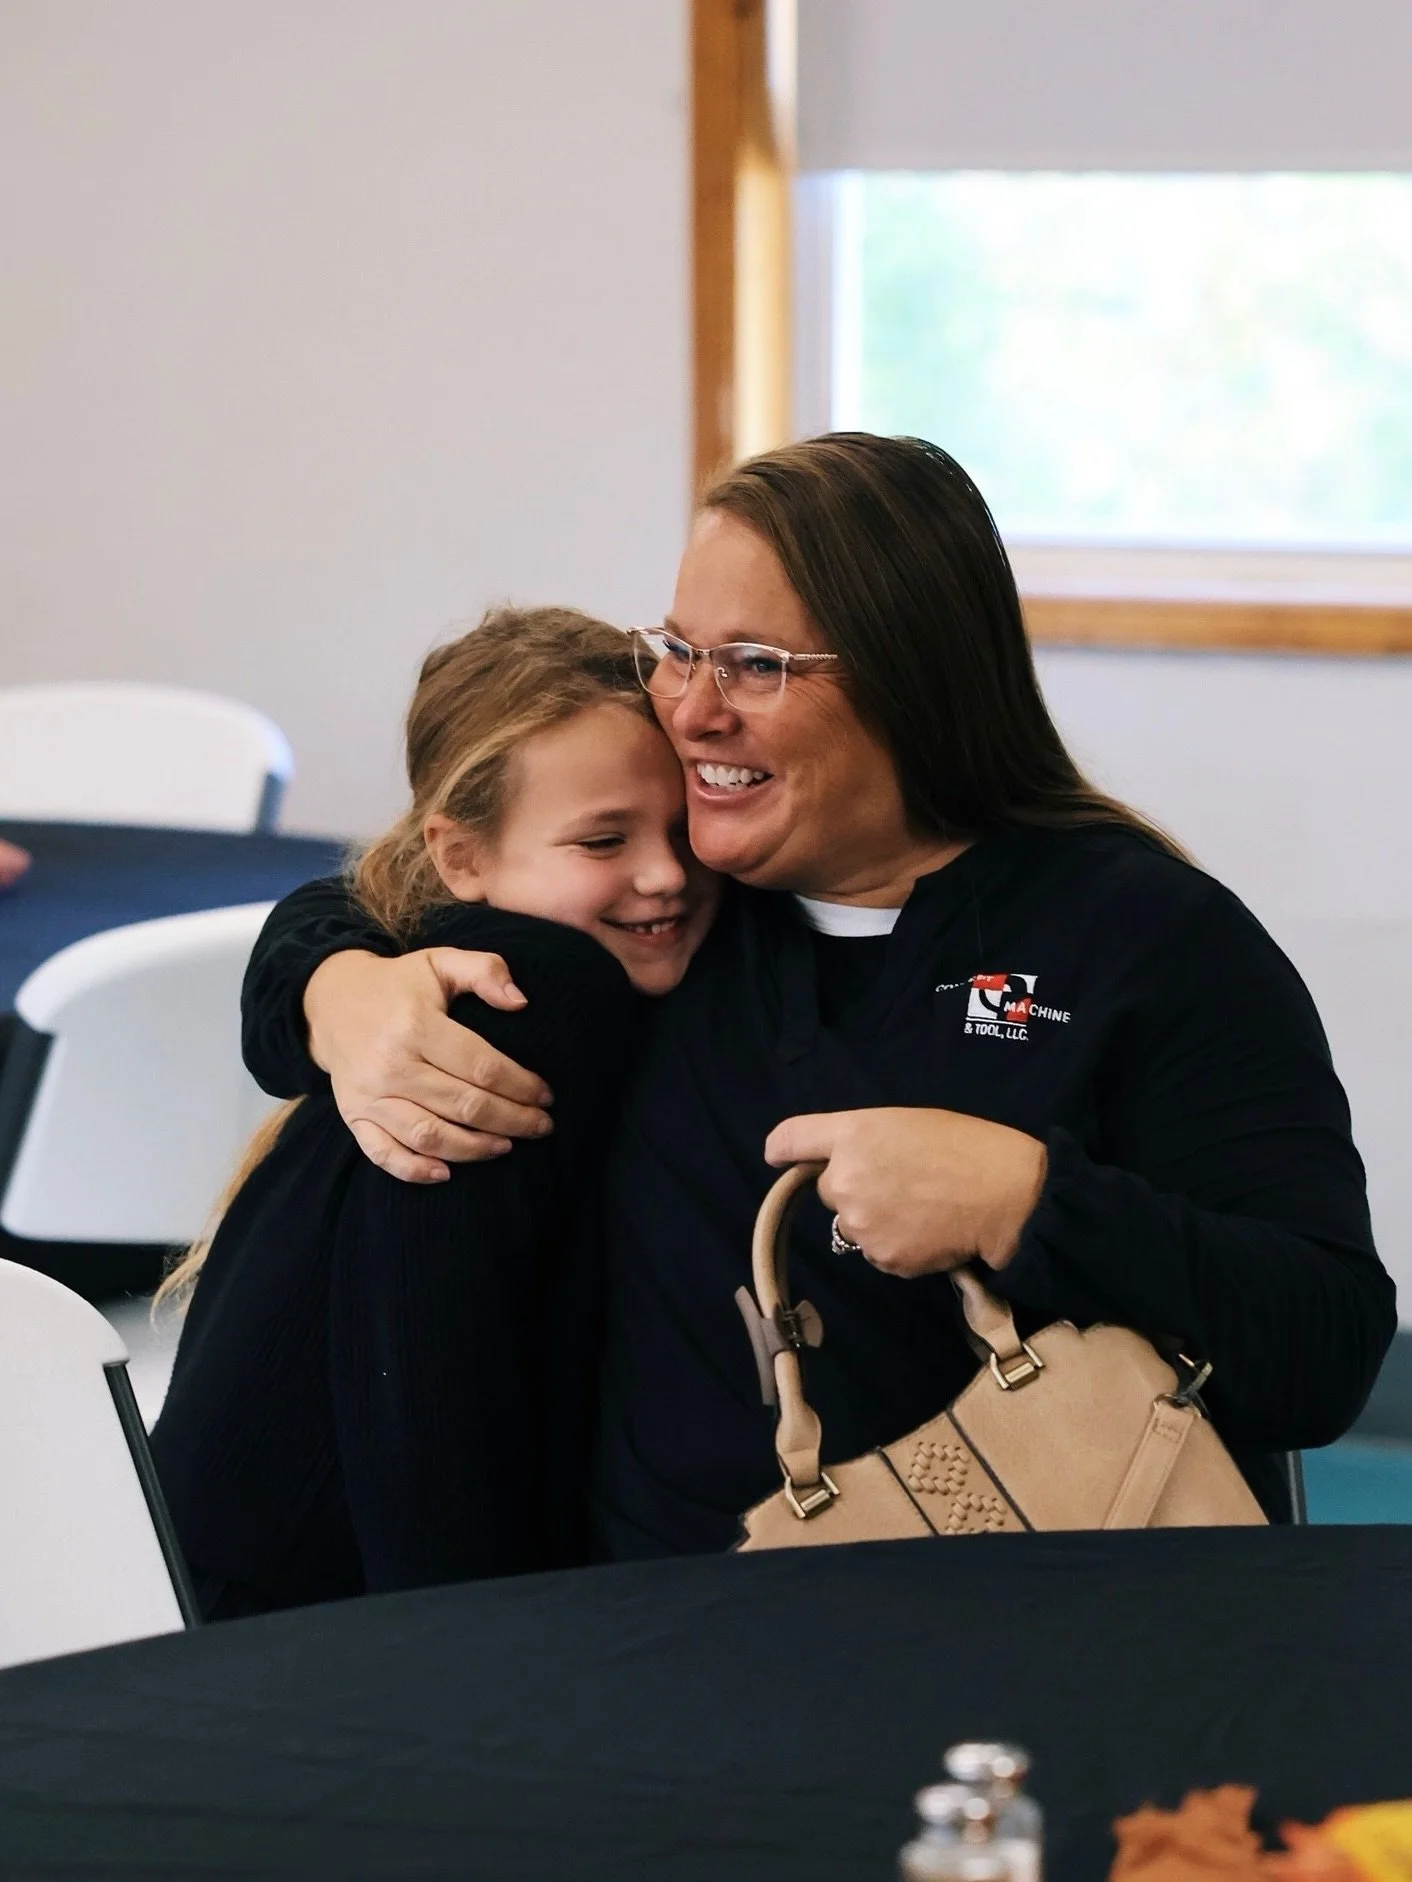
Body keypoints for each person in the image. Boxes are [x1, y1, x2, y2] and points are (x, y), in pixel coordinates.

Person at [240, 434, 1396, 1550]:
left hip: (1034, 1629)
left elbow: (1324, 1351)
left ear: (913, 681)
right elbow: (403, 884)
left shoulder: (1144, 938)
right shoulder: (678, 911)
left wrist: (1028, 1202)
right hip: (665, 1651)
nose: (688, 710)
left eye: (755, 665)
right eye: (679, 650)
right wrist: (330, 987)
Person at [148, 607, 718, 1616]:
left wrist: (322, 972)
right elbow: (420, 1403)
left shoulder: (436, 945)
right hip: (303, 1627)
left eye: (684, 826)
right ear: (458, 857)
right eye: (603, 838)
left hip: (222, 1576)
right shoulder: (527, 993)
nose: (665, 871)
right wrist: (479, 1672)